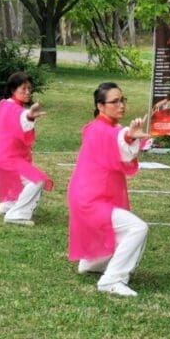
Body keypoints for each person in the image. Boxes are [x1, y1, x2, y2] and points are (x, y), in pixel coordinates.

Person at [67, 83, 151, 297]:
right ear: (100, 106)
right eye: (115, 101)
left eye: (123, 99)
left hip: (90, 197)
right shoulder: (99, 129)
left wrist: (132, 138)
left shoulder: (106, 128)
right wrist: (130, 137)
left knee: (122, 229)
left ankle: (91, 263)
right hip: (90, 201)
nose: (121, 105)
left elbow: (120, 142)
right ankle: (111, 280)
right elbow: (119, 141)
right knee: (137, 228)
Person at [0, 72, 52, 226]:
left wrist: (28, 116)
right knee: (37, 180)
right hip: (9, 157)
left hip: (0, 155)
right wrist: (30, 116)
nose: (27, 92)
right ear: (13, 89)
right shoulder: (15, 109)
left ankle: (9, 204)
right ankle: (17, 214)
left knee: (20, 180)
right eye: (23, 89)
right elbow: (22, 118)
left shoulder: (3, 104)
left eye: (29, 89)